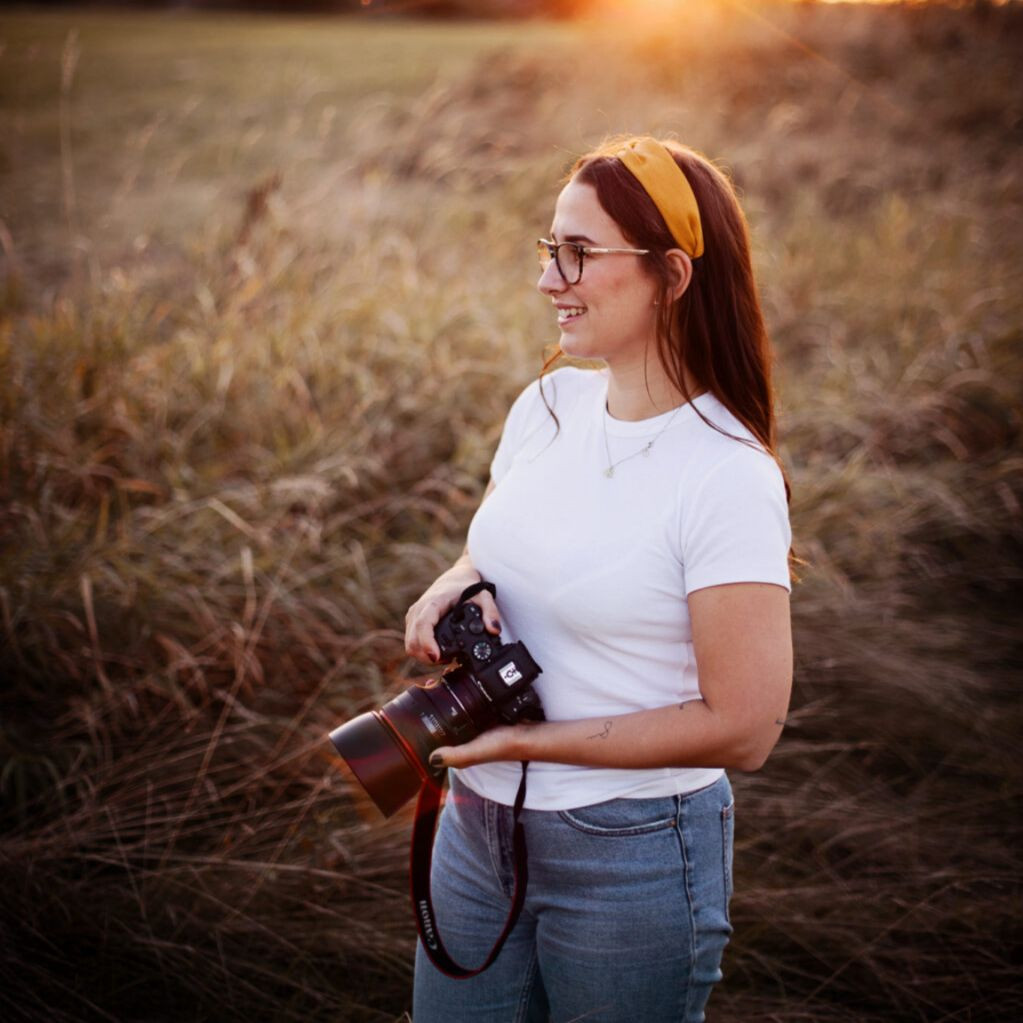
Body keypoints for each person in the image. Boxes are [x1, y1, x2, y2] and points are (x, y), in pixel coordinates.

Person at [404, 136, 793, 1023]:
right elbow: (496, 551)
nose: (549, 279)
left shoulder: (725, 473)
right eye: (550, 249)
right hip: (475, 829)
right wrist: (449, 584)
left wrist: (526, 745)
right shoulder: (546, 407)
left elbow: (745, 726)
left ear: (671, 275)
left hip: (631, 851)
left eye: (578, 253)